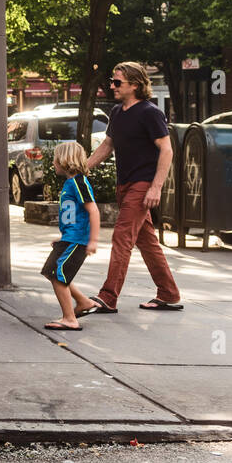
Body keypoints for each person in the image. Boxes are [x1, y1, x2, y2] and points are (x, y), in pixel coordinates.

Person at [81, 61, 183, 314]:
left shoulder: (150, 112)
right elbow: (108, 144)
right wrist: (83, 167)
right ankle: (169, 294)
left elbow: (166, 150)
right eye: (112, 81)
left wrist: (155, 187)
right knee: (146, 242)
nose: (112, 86)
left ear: (135, 85)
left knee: (122, 237)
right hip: (124, 184)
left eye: (117, 83)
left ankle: (108, 296)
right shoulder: (117, 112)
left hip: (142, 184)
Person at [41, 141, 100, 330]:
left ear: (65, 160)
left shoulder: (79, 183)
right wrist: (63, 238)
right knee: (51, 272)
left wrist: (93, 240)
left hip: (77, 240)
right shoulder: (70, 183)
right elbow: (73, 215)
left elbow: (94, 211)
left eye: (55, 159)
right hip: (69, 238)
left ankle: (70, 319)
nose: (53, 163)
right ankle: (84, 302)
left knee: (58, 276)